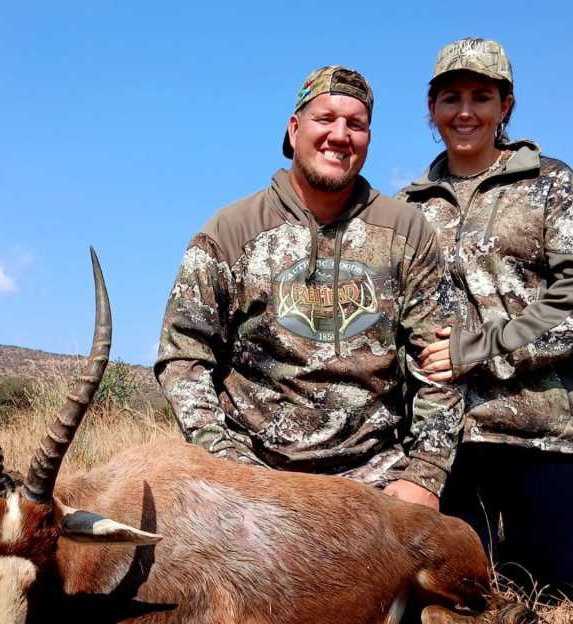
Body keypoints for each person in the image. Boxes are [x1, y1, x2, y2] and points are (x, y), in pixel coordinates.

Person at [397, 38, 573, 601]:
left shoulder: (553, 184)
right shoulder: (408, 206)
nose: (465, 112)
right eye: (451, 98)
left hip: (544, 428)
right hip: (451, 433)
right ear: (432, 109)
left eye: (481, 97)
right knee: (465, 581)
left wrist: (477, 349)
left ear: (505, 106)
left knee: (550, 584)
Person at [155, 66, 463, 509]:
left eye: (356, 124)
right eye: (325, 119)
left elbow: (440, 362)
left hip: (377, 481)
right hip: (251, 480)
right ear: (294, 128)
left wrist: (425, 475)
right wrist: (222, 464)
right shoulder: (229, 232)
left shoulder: (407, 232)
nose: (340, 135)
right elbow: (183, 356)